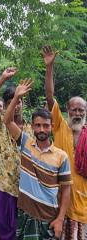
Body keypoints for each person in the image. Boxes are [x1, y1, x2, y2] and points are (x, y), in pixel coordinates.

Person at [4, 80, 72, 239]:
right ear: (32, 127)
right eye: (38, 125)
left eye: (46, 125)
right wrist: (16, 98)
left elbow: (66, 190)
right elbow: (7, 121)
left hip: (49, 218)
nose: (42, 129)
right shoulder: (25, 143)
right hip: (25, 215)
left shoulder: (61, 156)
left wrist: (60, 219)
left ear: (52, 126)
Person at [43, 45, 87, 239]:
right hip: (61, 203)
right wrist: (49, 67)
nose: (77, 114)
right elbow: (50, 97)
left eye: (81, 110)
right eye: (74, 110)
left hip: (84, 206)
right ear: (67, 111)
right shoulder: (60, 127)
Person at [0, 67, 29, 240]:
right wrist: (2, 78)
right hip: (3, 184)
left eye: (19, 101)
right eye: (11, 101)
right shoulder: (0, 121)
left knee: (22, 230)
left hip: (25, 187)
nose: (16, 105)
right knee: (4, 229)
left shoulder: (31, 128)